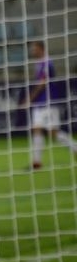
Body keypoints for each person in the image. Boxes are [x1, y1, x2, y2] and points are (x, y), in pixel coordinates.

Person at [20, 40, 77, 169]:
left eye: (34, 49)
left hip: (49, 101)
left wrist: (30, 98)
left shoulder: (46, 62)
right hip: (41, 102)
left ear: (41, 49)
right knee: (37, 129)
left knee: (53, 132)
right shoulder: (39, 63)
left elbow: (43, 83)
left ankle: (75, 147)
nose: (32, 51)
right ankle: (36, 162)